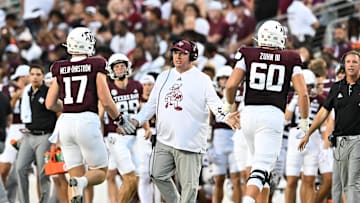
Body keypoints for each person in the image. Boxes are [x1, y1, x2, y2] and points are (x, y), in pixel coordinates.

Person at [120, 39, 240, 203]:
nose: (178, 57)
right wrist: (135, 121)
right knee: (157, 174)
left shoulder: (202, 79)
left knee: (189, 187)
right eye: (176, 53)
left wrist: (227, 116)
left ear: (192, 56)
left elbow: (215, 105)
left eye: (183, 53)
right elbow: (151, 106)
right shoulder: (163, 77)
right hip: (164, 139)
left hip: (190, 142)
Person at [225, 20, 310, 203]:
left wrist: (227, 107)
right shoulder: (291, 58)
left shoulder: (247, 53)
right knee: (262, 167)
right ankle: (247, 200)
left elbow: (231, 84)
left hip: (248, 115)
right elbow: (303, 94)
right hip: (271, 116)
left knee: (261, 167)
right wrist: (304, 121)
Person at [45, 27, 133, 203]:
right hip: (86, 120)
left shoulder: (59, 67)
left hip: (66, 123)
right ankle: (82, 181)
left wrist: (69, 105)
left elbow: (50, 104)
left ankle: (78, 183)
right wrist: (120, 119)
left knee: (73, 177)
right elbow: (106, 100)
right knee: (100, 172)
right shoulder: (96, 64)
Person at [299, 50, 360, 203]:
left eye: (355, 62)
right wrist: (308, 132)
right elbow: (323, 112)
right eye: (348, 62)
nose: (351, 65)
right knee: (341, 184)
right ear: (343, 65)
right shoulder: (337, 87)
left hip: (358, 139)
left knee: (352, 182)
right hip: (340, 142)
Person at [100, 52, 147, 203]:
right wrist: (99, 136)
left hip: (134, 136)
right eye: (117, 67)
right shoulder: (107, 88)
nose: (120, 69)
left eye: (122, 66)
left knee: (125, 174)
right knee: (125, 176)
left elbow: (141, 110)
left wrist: (147, 128)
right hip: (114, 135)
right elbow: (100, 114)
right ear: (111, 70)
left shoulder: (136, 86)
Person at [15, 64, 57, 203]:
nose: (35, 77)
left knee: (43, 174)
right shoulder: (26, 92)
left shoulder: (49, 91)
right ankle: (23, 201)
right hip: (29, 135)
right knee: (20, 168)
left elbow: (58, 113)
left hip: (45, 136)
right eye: (32, 74)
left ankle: (44, 201)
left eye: (38, 74)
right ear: (29, 76)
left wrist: (56, 138)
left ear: (43, 76)